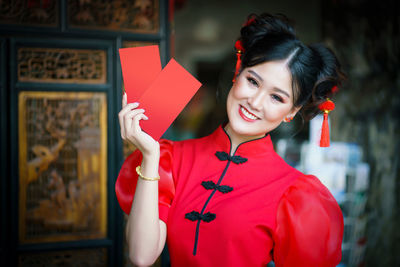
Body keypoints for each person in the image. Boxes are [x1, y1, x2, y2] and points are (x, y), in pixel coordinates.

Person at [116, 13, 345, 267]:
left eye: (277, 98)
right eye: (253, 81)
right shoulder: (171, 158)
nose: (255, 102)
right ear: (238, 73)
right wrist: (149, 156)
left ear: (291, 112)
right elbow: (141, 256)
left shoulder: (295, 194)